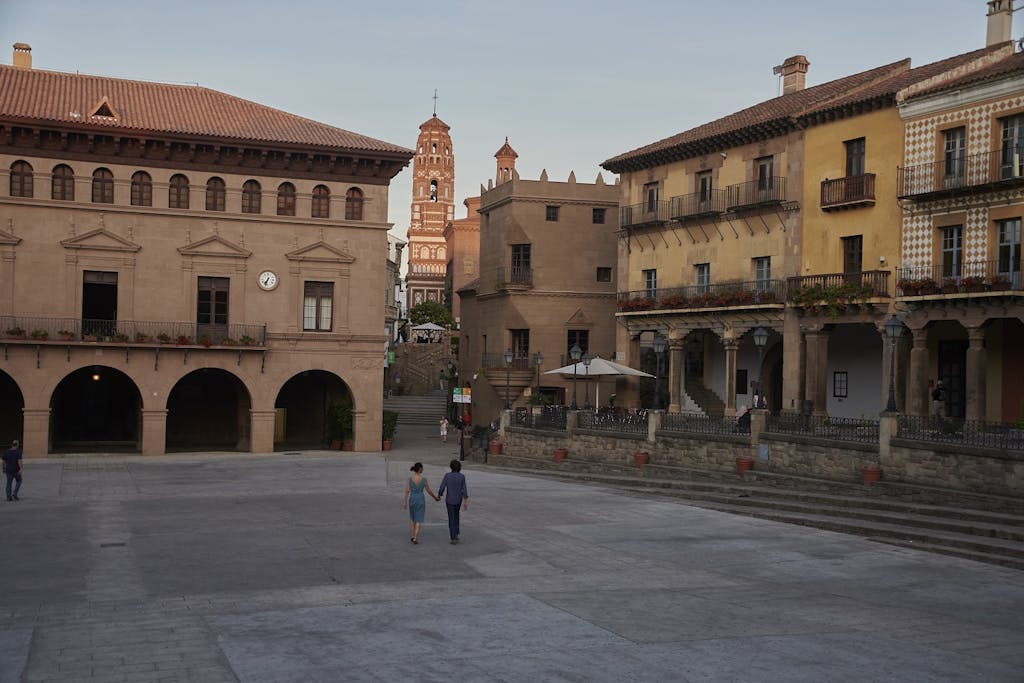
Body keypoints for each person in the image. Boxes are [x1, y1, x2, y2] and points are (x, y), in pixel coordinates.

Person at [402, 462, 439, 544]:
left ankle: (412, 535)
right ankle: (415, 537)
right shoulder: (424, 480)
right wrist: (435, 498)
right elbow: (429, 491)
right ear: (420, 469)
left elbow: (407, 491)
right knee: (419, 518)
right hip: (420, 499)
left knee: (412, 518)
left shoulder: (410, 479)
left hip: (412, 499)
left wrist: (404, 502)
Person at [438, 459, 469, 544]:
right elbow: (464, 489)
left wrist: (439, 494)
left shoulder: (447, 476)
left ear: (451, 467)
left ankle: (453, 537)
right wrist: (465, 500)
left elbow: (442, 487)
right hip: (458, 500)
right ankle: (456, 532)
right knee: (456, 515)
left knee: (451, 517)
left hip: (449, 500)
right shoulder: (462, 476)